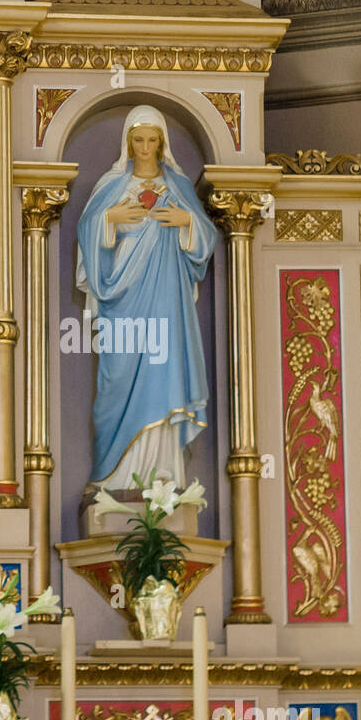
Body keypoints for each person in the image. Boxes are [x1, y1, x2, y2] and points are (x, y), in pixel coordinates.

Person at [74, 105, 218, 491]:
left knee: (164, 371)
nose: (145, 147)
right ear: (127, 142)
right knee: (115, 380)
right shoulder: (113, 184)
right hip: (121, 301)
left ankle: (162, 476)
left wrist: (187, 222)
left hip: (167, 300)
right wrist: (110, 220)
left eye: (152, 140)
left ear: (162, 143)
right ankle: (113, 478)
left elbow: (207, 237)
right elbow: (87, 230)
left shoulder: (178, 185)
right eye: (138, 139)